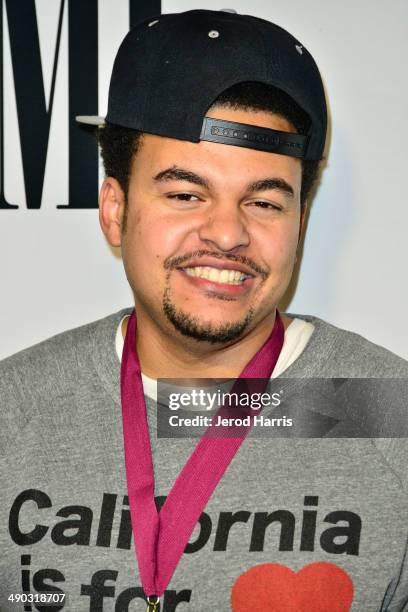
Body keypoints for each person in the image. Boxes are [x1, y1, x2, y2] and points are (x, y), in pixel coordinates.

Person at [1, 8, 407, 612]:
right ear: (114, 210)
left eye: (264, 202)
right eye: (186, 195)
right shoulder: (15, 408)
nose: (227, 234)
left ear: (300, 222)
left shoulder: (386, 412)